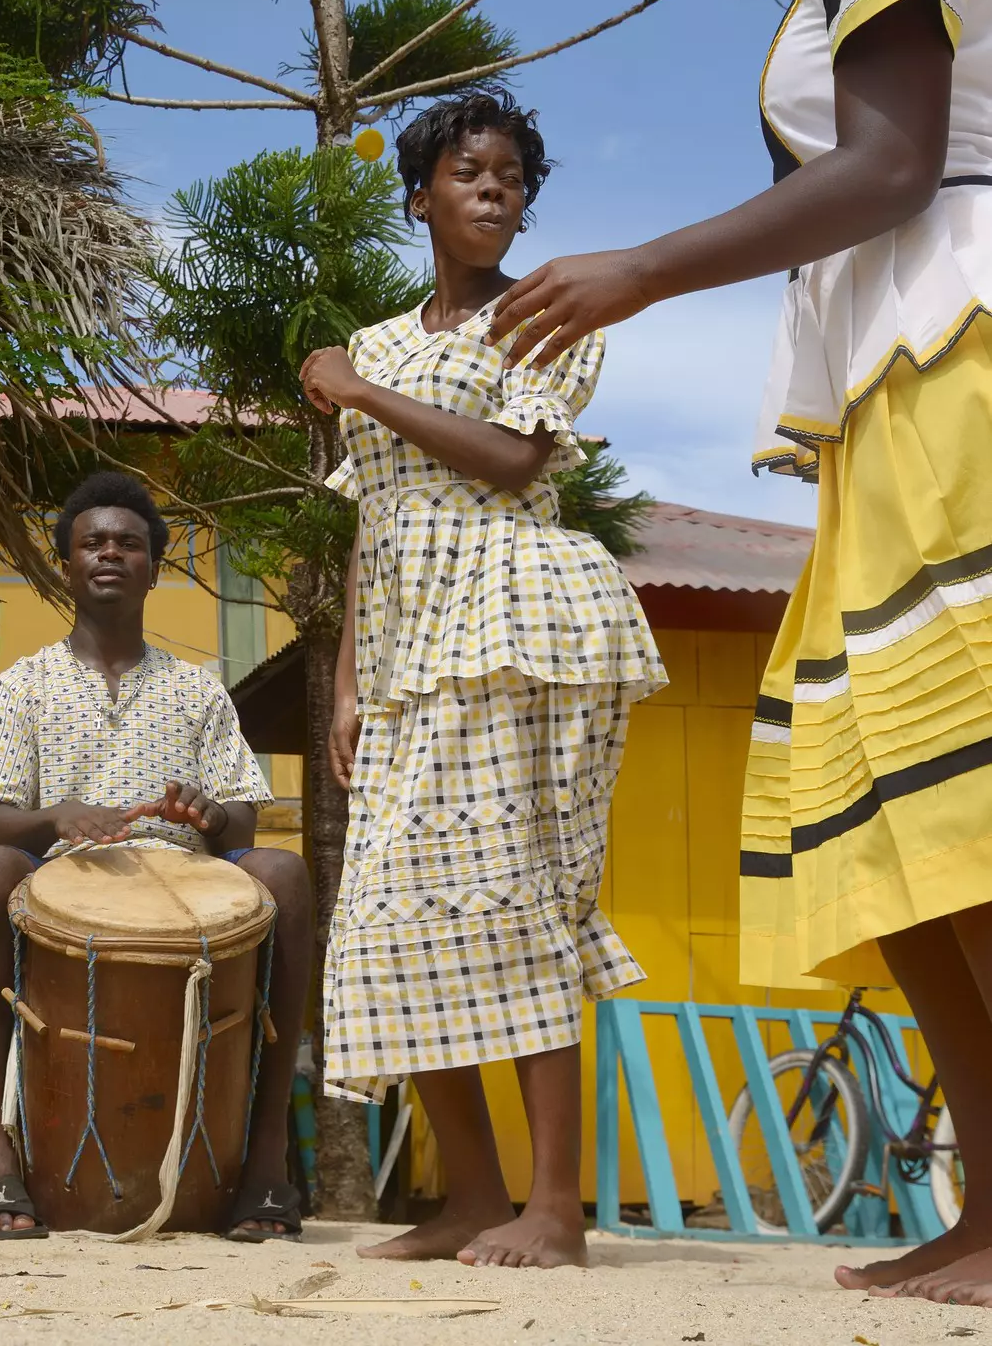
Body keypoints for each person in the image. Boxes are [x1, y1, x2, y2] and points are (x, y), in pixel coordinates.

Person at [485, 0, 989, 1307]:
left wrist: (643, 268)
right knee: (895, 814)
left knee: (967, 800)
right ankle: (987, 1202)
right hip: (894, 376)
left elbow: (891, 160)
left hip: (957, 351)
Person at [298, 93, 665, 1269]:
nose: (495, 187)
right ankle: (468, 1195)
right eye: (469, 170)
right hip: (412, 642)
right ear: (422, 195)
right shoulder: (384, 338)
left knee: (518, 898)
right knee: (390, 914)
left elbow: (514, 462)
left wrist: (354, 390)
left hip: (523, 622)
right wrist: (348, 684)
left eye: (513, 174)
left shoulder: (548, 317)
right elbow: (376, 527)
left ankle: (554, 1207)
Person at [0, 471, 313, 1241]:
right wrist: (56, 816)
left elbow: (240, 817)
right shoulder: (23, 687)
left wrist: (207, 814)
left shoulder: (198, 690)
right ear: (66, 563)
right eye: (93, 542)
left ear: (152, 565)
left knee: (281, 868)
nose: (109, 553)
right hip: (61, 894)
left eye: (129, 543)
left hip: (193, 893)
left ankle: (268, 1156)